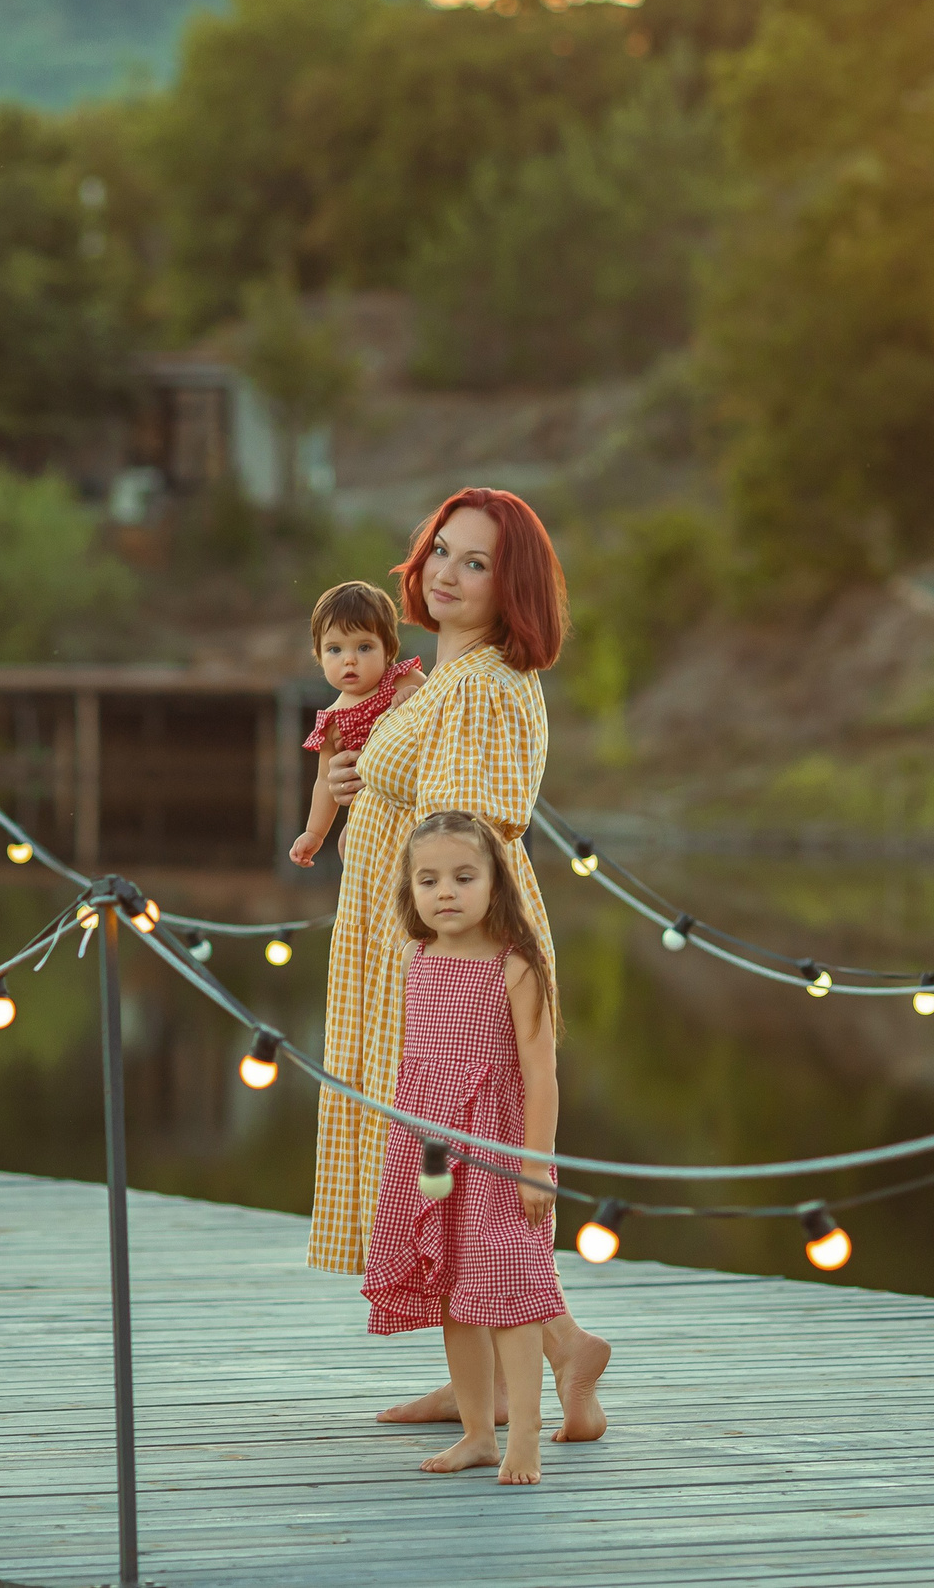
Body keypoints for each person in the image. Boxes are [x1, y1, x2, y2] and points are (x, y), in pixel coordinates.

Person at [308, 486, 610, 1442]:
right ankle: (492, 1380)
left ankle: (557, 1352)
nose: (446, 571)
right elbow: (406, 791)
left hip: (451, 954)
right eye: (442, 548)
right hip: (403, 942)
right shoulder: (440, 676)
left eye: (476, 562)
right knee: (435, 1164)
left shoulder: (487, 684)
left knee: (464, 1160)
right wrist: (352, 775)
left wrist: (442, 964)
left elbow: (463, 838)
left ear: (510, 584)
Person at [361, 812, 564, 1484]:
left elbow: (541, 1073)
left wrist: (535, 1165)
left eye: (463, 877)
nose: (445, 891)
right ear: (411, 890)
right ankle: (478, 1433)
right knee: (452, 1284)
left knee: (508, 1286)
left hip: (498, 1149)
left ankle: (524, 1434)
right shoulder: (415, 957)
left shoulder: (516, 966)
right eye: (428, 880)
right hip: (429, 1147)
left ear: (495, 884)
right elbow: (423, 1074)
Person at [289, 582, 424, 868]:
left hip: (416, 803)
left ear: (388, 649)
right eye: (334, 649)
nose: (349, 660)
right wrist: (314, 833)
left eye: (364, 647)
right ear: (319, 655)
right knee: (349, 842)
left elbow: (441, 712)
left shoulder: (403, 680)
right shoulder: (332, 721)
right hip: (372, 810)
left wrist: (417, 698)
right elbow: (325, 780)